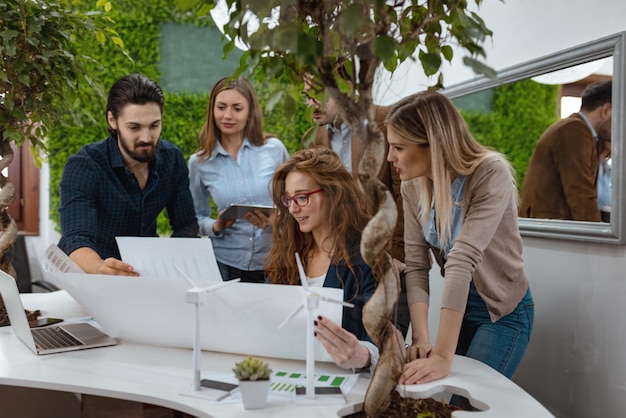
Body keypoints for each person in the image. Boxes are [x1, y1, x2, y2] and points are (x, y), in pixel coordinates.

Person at [385, 91, 534, 385]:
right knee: (440, 395)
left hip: (503, 313)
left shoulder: (491, 173)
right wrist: (421, 338)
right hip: (463, 307)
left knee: (463, 402)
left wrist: (441, 356)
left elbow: (461, 260)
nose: (390, 157)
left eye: (398, 147)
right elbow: (415, 264)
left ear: (433, 144)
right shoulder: (413, 186)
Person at [301, 68, 410, 338]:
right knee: (348, 348)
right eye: (306, 96)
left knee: (384, 347)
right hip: (346, 266)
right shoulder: (320, 136)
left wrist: (396, 254)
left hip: (387, 260)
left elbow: (406, 194)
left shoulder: (386, 121)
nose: (310, 104)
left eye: (317, 95)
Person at [58, 73, 199, 276]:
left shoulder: (172, 159)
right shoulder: (85, 166)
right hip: (93, 273)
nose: (146, 138)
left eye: (154, 125)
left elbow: (186, 224)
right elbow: (76, 239)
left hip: (147, 272)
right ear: (112, 120)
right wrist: (101, 268)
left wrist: (174, 267)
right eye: (134, 127)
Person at [265, 148, 379, 371]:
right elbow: (268, 319)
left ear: (333, 193)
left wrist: (362, 355)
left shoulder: (366, 258)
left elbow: (383, 341)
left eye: (302, 197)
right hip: (289, 373)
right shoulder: (287, 253)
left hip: (346, 381)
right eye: (288, 199)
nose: (293, 208)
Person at [188, 76, 289, 283]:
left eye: (237, 108)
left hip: (272, 261)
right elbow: (194, 218)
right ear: (212, 110)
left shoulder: (274, 150)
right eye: (221, 107)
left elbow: (294, 200)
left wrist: (278, 218)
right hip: (224, 263)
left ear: (250, 111)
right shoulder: (199, 163)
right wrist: (216, 226)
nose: (228, 115)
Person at [519, 80, 612, 221]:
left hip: (547, 229)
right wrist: (599, 239)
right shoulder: (575, 131)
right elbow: (581, 196)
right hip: (550, 233)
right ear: (605, 111)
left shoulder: (578, 130)